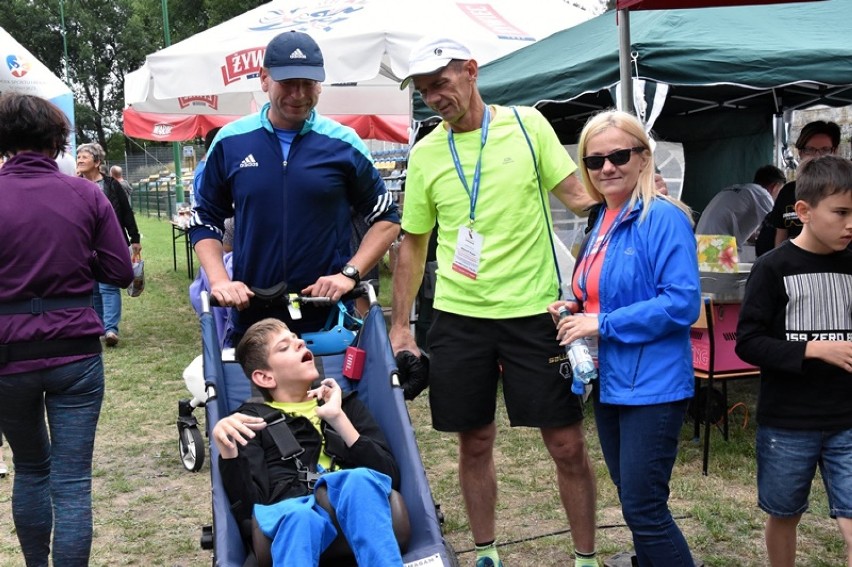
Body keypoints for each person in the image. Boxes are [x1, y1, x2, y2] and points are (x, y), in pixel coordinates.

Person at [390, 37, 597, 567]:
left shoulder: (528, 125)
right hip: (460, 318)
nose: (435, 97)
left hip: (535, 312)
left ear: (472, 72)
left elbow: (580, 197)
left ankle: (586, 556)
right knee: (474, 441)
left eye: (442, 83)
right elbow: (413, 242)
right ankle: (486, 552)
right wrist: (401, 326)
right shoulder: (426, 153)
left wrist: (637, 195)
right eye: (424, 90)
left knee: (567, 445)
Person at [551, 110, 701, 566]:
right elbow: (598, 292)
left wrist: (602, 322)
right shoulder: (599, 221)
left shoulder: (664, 218)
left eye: (619, 155)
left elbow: (681, 303)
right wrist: (574, 307)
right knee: (634, 498)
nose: (607, 168)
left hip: (653, 385)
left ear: (643, 158)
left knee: (644, 508)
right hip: (612, 380)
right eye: (595, 161)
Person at [189, 31, 400, 339]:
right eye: (288, 83)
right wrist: (220, 280)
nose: (299, 94)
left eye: (308, 83)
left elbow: (386, 219)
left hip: (328, 316)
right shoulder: (230, 142)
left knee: (334, 390)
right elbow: (205, 218)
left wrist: (349, 274)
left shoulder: (344, 143)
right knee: (255, 389)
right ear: (264, 79)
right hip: (255, 316)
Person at [0, 93, 134, 566]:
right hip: (75, 352)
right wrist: (79, 257)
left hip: (8, 357)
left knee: (30, 469)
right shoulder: (85, 194)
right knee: (72, 481)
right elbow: (120, 270)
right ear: (57, 142)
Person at [735, 155, 852, 567]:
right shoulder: (772, 268)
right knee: (785, 514)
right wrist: (813, 349)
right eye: (841, 212)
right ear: (803, 211)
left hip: (847, 420)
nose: (850, 223)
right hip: (787, 422)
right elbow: (748, 343)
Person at [211, 318, 403, 566]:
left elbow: (389, 476)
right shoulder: (249, 423)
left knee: (359, 479)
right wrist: (229, 453)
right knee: (298, 516)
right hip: (292, 516)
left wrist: (338, 419)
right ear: (265, 377)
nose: (300, 341)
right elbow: (250, 509)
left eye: (296, 337)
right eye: (285, 346)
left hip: (358, 507)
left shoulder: (346, 405)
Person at [764, 120, 841, 252]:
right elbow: (780, 237)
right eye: (810, 150)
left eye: (825, 150)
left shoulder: (845, 191)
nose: (817, 156)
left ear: (834, 151)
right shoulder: (788, 192)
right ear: (800, 153)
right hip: (793, 268)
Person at [696, 164, 786, 252]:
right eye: (780, 190)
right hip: (717, 243)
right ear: (775, 186)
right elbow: (775, 226)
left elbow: (751, 236)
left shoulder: (746, 191)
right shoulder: (762, 194)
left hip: (701, 241)